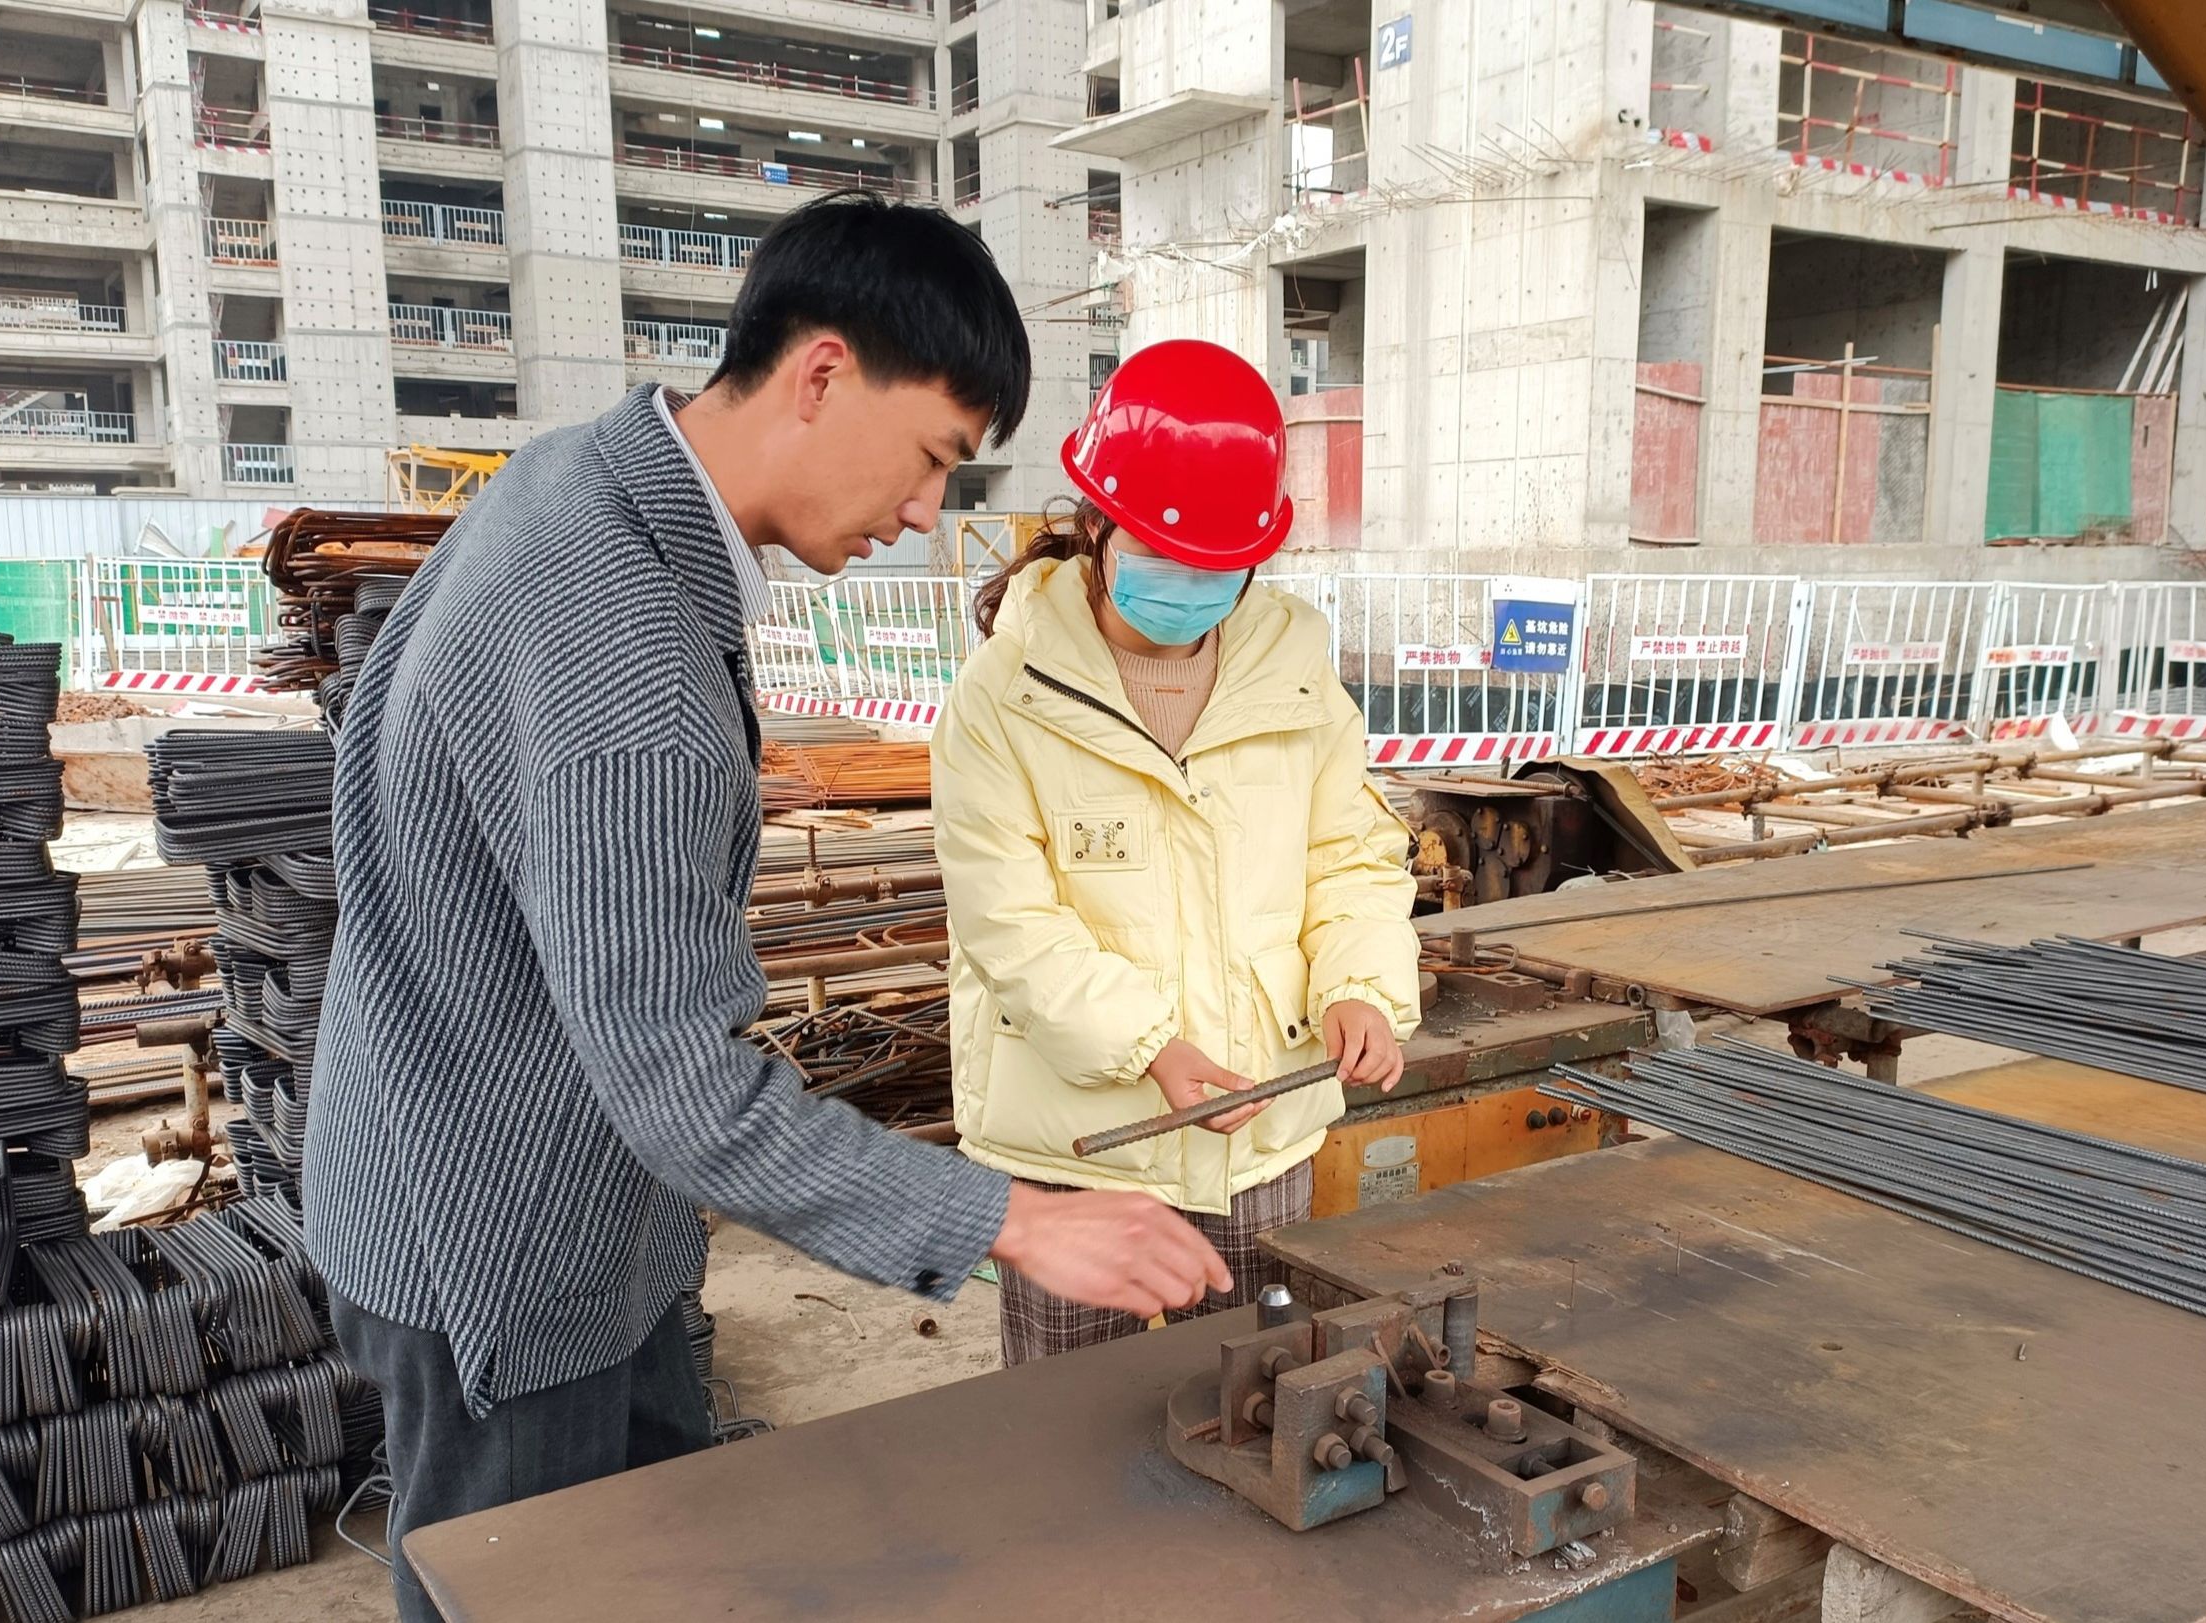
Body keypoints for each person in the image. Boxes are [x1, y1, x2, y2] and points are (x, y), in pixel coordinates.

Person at [304, 195, 1232, 1622]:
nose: (926, 511)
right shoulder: (629, 657)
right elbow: (684, 1088)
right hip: (502, 1242)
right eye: (931, 457)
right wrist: (1012, 1219)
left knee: (678, 1546)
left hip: (476, 1161)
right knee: (527, 1587)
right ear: (819, 373)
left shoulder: (580, 483)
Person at [929, 339, 1422, 1365]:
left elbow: (1353, 856)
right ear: (1100, 526)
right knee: (1076, 1444)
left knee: (1260, 1408)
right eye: (1164, 554)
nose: (1192, 586)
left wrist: (1363, 985)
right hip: (1084, 1156)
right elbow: (1006, 922)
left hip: (1262, 1135)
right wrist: (1147, 1045)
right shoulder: (1001, 697)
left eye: (1219, 568)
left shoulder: (1295, 676)